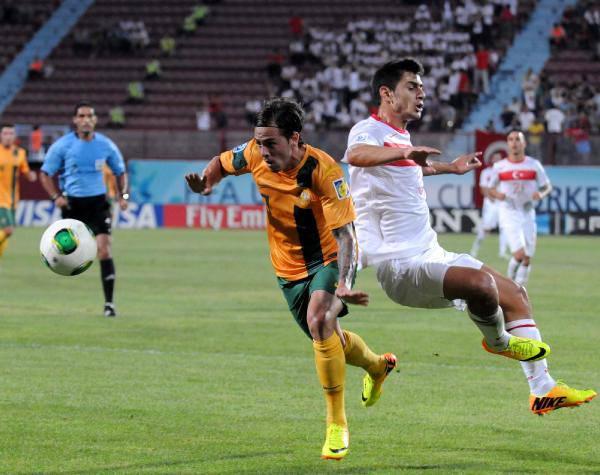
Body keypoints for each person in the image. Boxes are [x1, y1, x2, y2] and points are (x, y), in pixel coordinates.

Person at [344, 59, 596, 416]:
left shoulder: (400, 138)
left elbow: (406, 169)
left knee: (515, 294)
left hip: (430, 252)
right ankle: (499, 341)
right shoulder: (367, 130)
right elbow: (356, 155)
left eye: (422, 87)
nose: (422, 93)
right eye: (412, 87)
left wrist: (449, 167)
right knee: (481, 285)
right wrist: (405, 152)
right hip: (399, 265)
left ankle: (543, 388)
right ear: (386, 93)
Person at [185, 97, 396, 460]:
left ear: (294, 138)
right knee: (328, 336)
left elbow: (347, 237)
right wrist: (207, 184)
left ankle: (336, 424)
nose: (263, 151)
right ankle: (378, 366)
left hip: (329, 258)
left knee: (320, 318)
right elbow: (220, 163)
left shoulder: (324, 170)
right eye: (260, 143)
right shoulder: (254, 153)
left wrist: (344, 283)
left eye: (271, 143)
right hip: (287, 268)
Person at [40, 102, 129, 317]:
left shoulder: (105, 145)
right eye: (81, 116)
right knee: (65, 253)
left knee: (104, 250)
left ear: (95, 120)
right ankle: (59, 294)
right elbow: (45, 173)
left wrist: (123, 195)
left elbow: (121, 171)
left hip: (98, 203)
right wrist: (56, 197)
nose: (86, 120)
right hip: (73, 205)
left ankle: (109, 304)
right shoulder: (63, 146)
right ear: (75, 120)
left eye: (90, 116)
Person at [488, 130, 551, 286]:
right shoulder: (499, 166)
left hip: (528, 212)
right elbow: (490, 189)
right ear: (508, 144)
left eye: (517, 139)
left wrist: (541, 194)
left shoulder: (534, 165)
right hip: (509, 213)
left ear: (524, 144)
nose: (514, 142)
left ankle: (521, 287)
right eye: (511, 139)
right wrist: (497, 194)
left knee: (527, 257)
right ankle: (510, 286)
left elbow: (547, 186)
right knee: (519, 254)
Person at [0, 124, 37, 260]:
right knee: (8, 230)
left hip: (13, 200)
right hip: (0, 199)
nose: (8, 136)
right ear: (1, 135)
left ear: (14, 136)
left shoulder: (20, 153)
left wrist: (31, 175)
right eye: (5, 133)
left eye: (11, 133)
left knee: (6, 232)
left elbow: (25, 170)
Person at [470, 152, 508, 259]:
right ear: (491, 160)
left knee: (504, 227)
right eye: (495, 158)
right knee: (486, 228)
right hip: (491, 203)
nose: (497, 160)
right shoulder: (486, 172)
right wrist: (490, 196)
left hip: (502, 203)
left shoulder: (505, 172)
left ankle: (502, 252)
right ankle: (475, 249)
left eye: (499, 158)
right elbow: (483, 188)